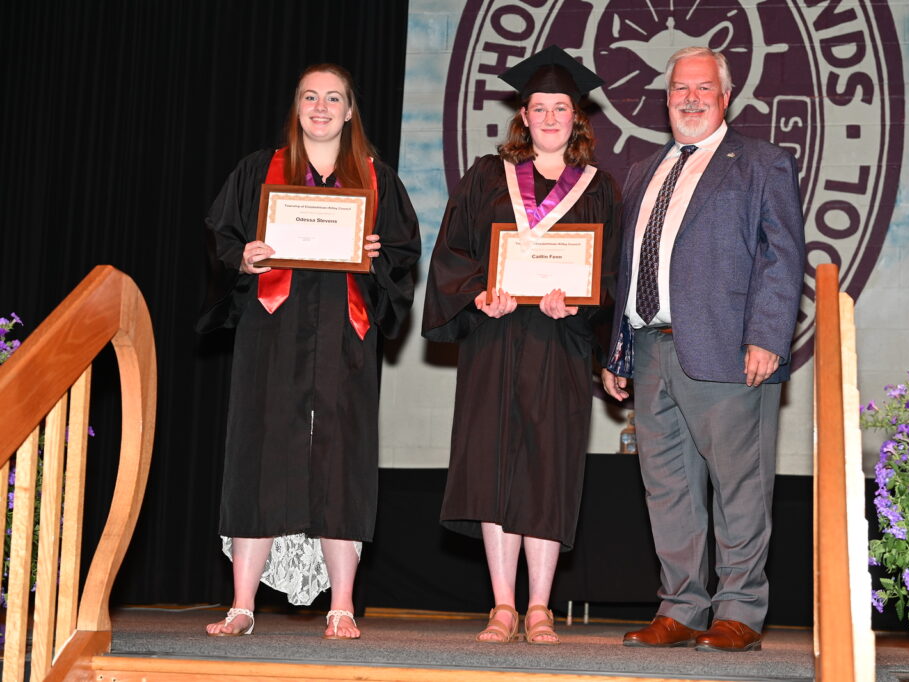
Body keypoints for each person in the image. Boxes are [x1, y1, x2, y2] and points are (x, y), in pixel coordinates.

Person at [197, 63, 420, 639]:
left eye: (333, 98)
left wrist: (376, 260)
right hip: (271, 333)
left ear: (350, 111)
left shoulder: (377, 178)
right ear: (297, 107)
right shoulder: (258, 172)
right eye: (309, 97)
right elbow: (222, 240)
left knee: (343, 459)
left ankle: (341, 604)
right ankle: (242, 604)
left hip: (346, 337)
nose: (320, 107)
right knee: (258, 453)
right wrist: (244, 259)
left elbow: (402, 254)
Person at [601, 46, 804, 652]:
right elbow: (629, 265)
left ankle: (740, 608)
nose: (690, 98)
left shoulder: (761, 163)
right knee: (667, 489)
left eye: (703, 89)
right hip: (650, 347)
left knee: (739, 485)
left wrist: (767, 336)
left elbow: (782, 254)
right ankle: (682, 607)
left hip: (727, 351)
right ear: (666, 100)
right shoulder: (642, 170)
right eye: (679, 90)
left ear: (726, 97)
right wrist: (617, 349)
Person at [422, 46, 620, 645]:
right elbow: (452, 253)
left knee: (548, 469)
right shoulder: (487, 176)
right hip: (495, 339)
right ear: (524, 116)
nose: (551, 117)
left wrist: (581, 303)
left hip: (558, 344)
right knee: (491, 467)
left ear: (577, 118)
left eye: (562, 107)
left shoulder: (600, 188)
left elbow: (611, 274)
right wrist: (480, 293)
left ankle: (540, 606)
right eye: (541, 107)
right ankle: (502, 605)